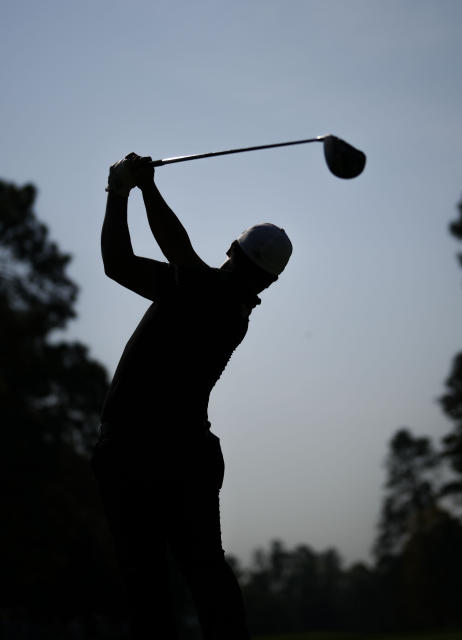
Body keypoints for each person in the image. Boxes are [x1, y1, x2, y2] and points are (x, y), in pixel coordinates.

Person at [92, 152, 292, 639]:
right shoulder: (195, 292)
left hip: (147, 452)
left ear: (230, 248)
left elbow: (178, 252)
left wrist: (138, 188)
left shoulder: (208, 295)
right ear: (269, 281)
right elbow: (117, 265)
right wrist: (122, 194)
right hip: (174, 454)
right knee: (202, 574)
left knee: (154, 585)